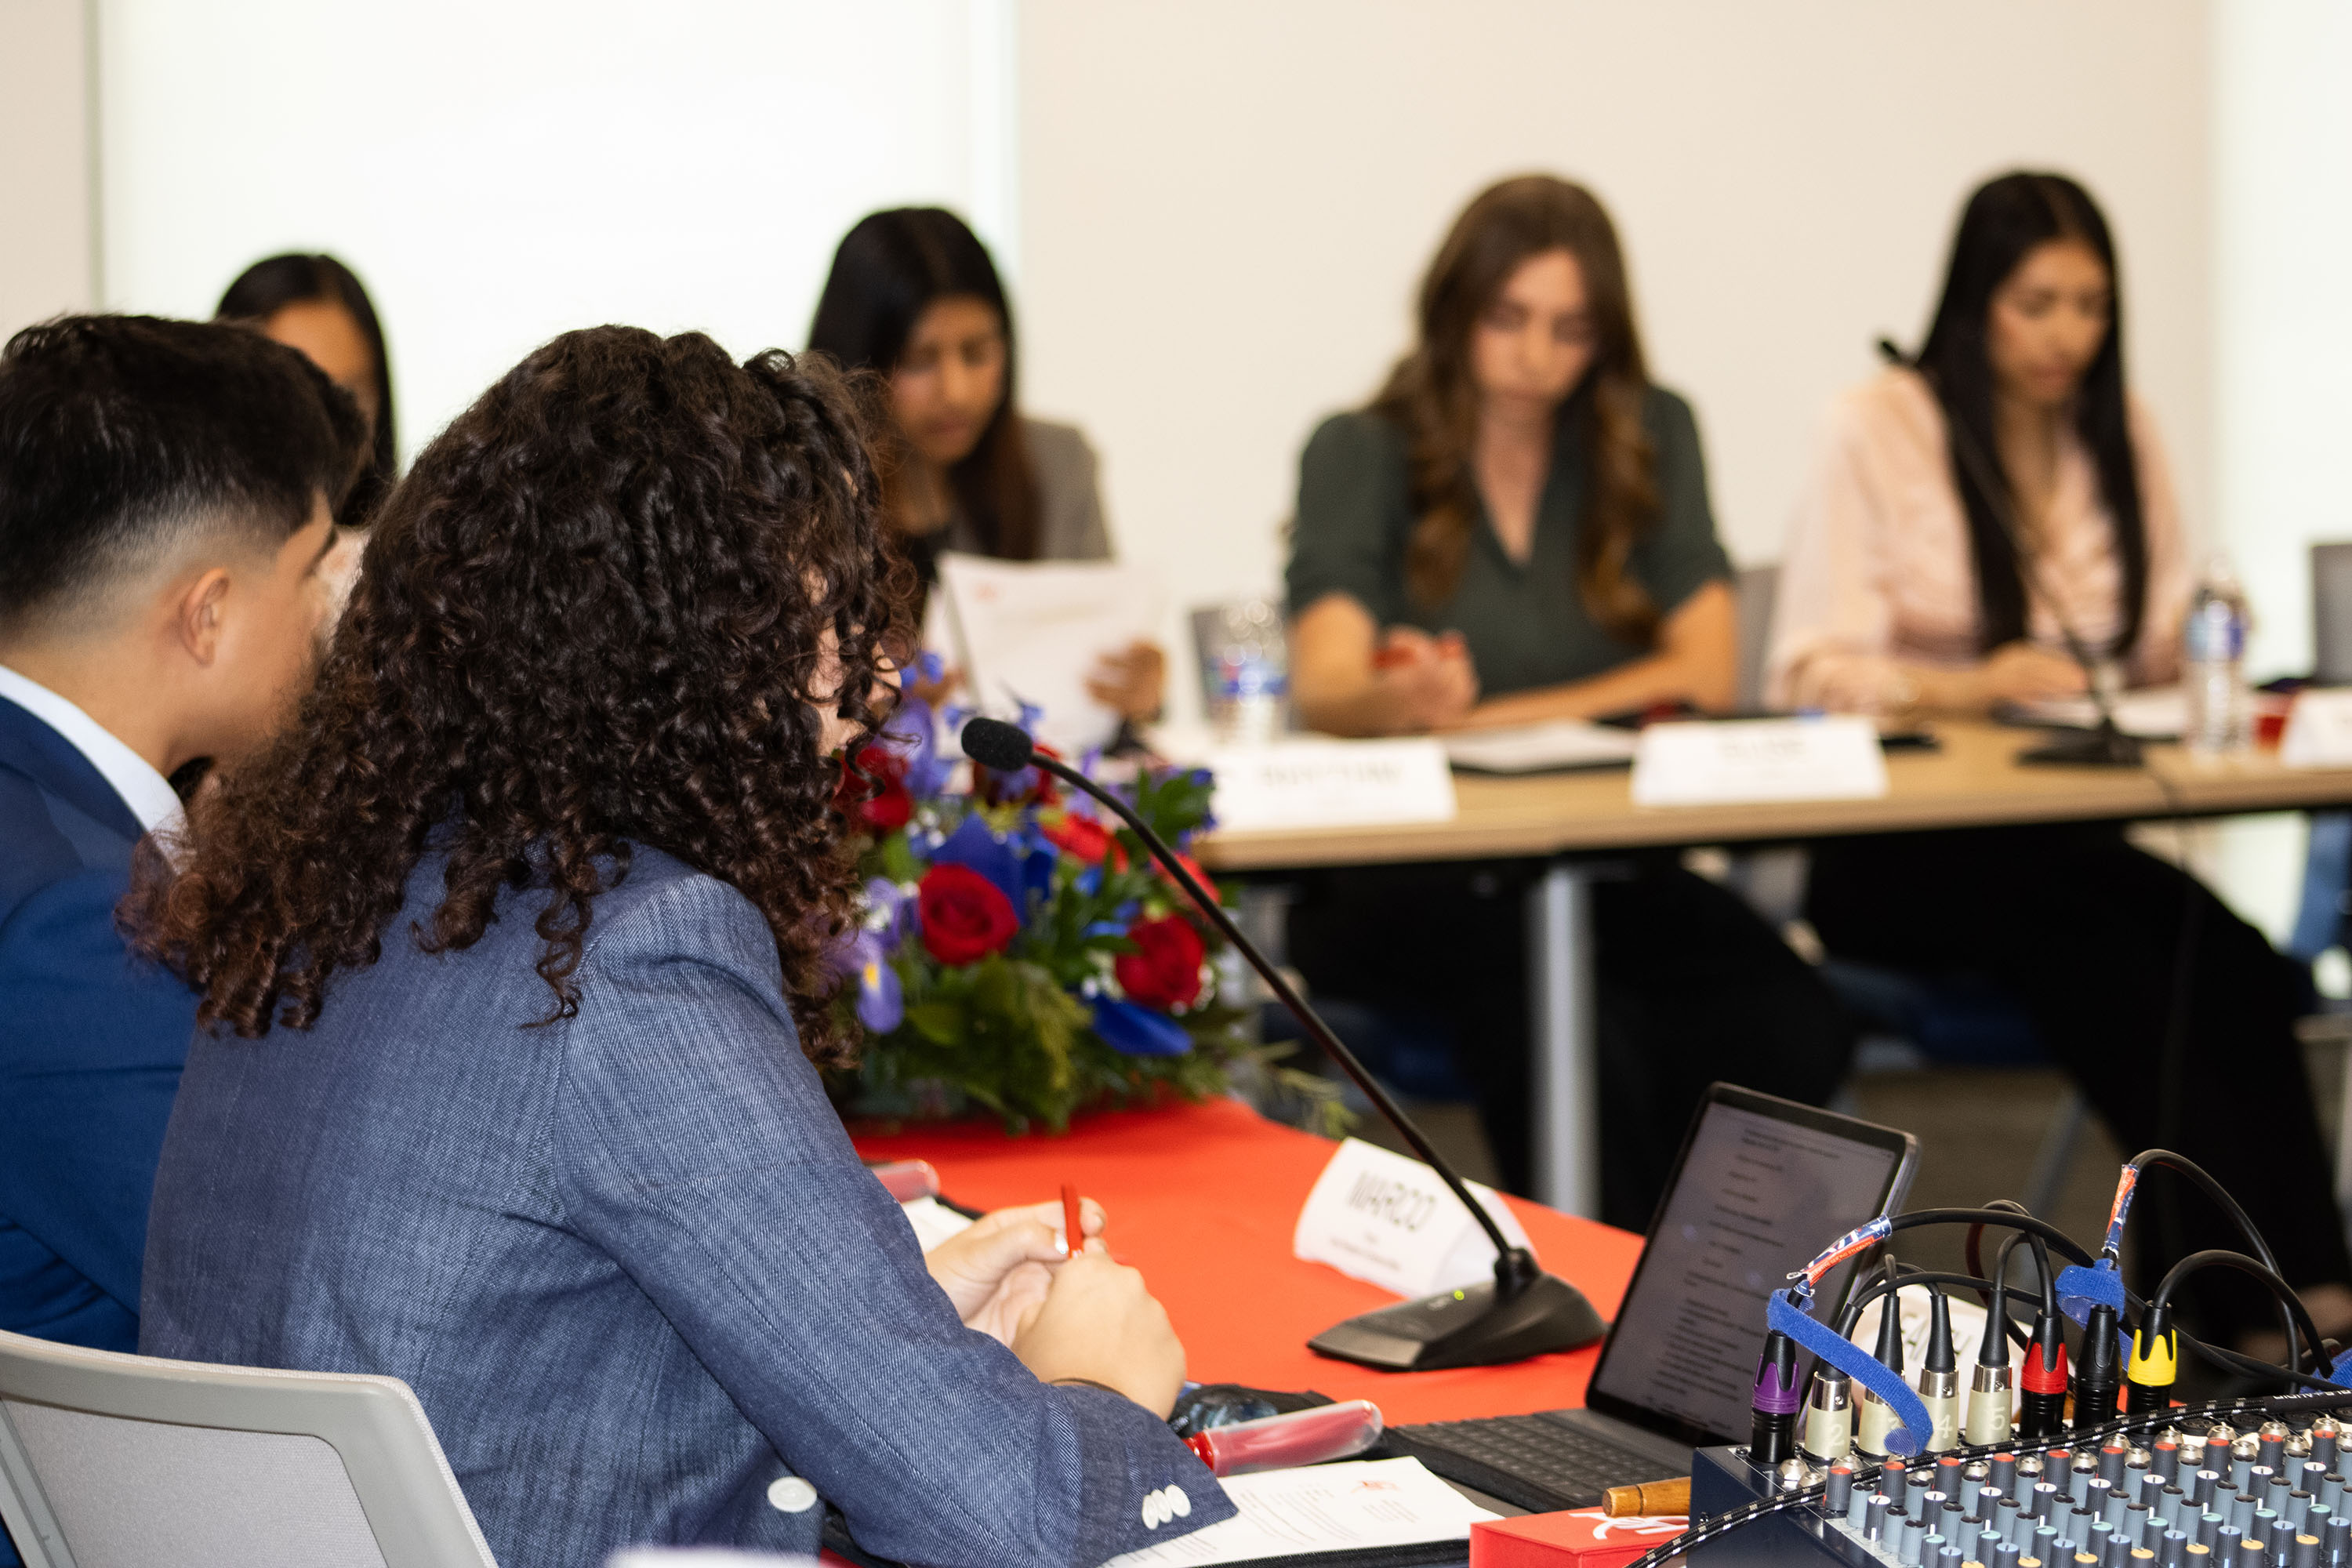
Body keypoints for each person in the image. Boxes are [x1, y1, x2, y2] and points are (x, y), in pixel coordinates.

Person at [128, 327, 1230, 1568]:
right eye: (828, 615)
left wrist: (896, 1336)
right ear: (678, 645)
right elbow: (1010, 1518)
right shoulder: (635, 953)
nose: (876, 683)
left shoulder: (331, 898)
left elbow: (528, 1330)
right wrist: (1094, 1388)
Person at [1767, 169, 2352, 1349]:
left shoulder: (2121, 428)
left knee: (2228, 958)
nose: (2066, 335)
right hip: (1899, 860)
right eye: (2037, 303)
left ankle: (2312, 1292)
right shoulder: (1878, 424)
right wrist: (1970, 683)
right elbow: (1808, 668)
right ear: (1975, 300)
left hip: (2060, 840)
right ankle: (2228, 1314)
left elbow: (2166, 641)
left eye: (2090, 305)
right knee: (2122, 969)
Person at [1283, 175, 1854, 1225]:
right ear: (1453, 310)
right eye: (1508, 319)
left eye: (1571, 329)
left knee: (1790, 1015)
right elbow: (1326, 685)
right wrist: (1398, 695)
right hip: (1420, 878)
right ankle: (1612, 1298)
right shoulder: (1361, 448)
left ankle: (1702, 1280)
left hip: (1605, 862)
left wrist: (1475, 719)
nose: (1537, 356)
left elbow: (1705, 669)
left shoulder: (1650, 433)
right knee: (1573, 1031)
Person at [0, 314, 362, 1353]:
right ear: (207, 615)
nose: (333, 613)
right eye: (315, 570)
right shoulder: (74, 921)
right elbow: (286, 1294)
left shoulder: (57, 826)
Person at [808, 206, 1164, 724]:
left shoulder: (1058, 466)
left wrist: (1137, 688)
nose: (955, 392)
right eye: (920, 361)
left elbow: (1101, 665)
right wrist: (878, 712)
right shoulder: (804, 489)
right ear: (857, 363)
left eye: (977, 353)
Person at [217, 252, 397, 530]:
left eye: (350, 394)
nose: (328, 426)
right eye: (293, 395)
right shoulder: (169, 545)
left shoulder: (411, 543)